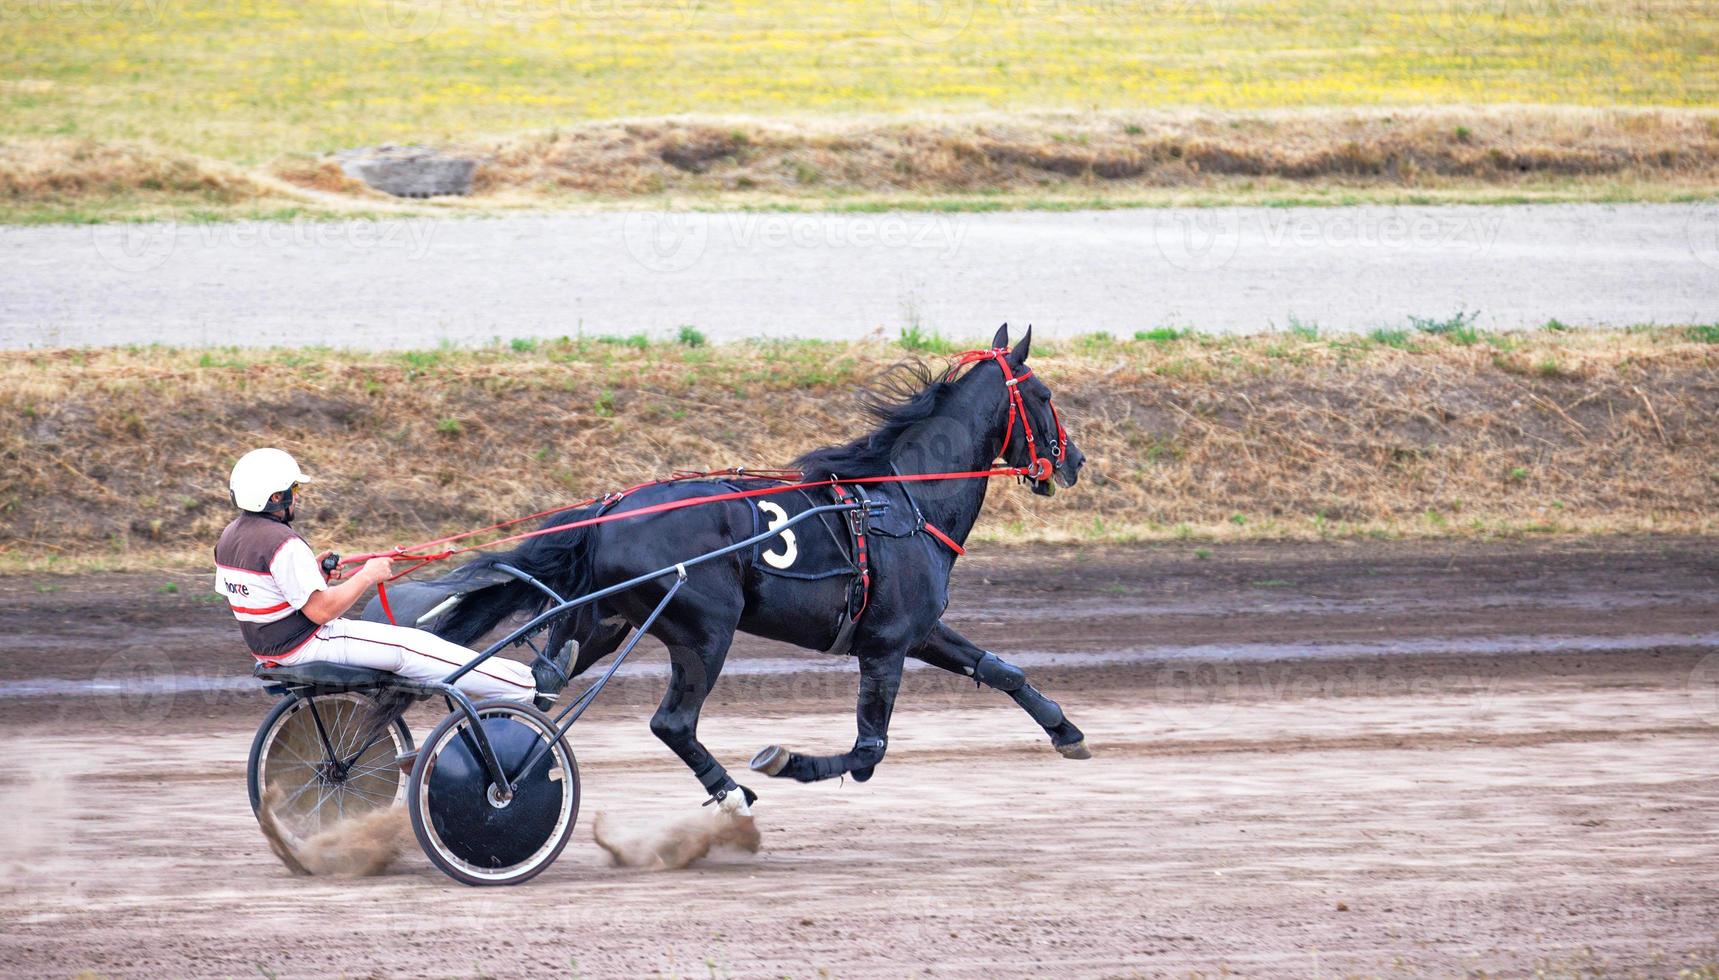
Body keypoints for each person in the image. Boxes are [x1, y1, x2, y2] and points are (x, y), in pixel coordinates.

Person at [215, 447, 567, 706]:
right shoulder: (283, 543)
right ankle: (531, 687)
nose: (297, 498)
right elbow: (320, 612)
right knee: (412, 646)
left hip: (269, 648)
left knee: (410, 646)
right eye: (294, 490)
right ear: (275, 497)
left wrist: (314, 572)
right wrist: (367, 575)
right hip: (305, 644)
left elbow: (261, 593)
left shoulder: (229, 538)